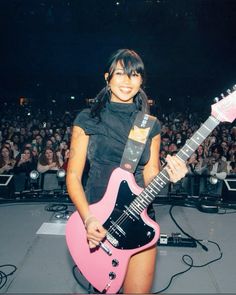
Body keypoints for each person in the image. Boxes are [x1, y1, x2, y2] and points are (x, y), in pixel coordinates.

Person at [66, 49, 188, 293]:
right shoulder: (87, 119)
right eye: (120, 73)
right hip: (97, 218)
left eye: (134, 75)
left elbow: (151, 174)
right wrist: (88, 218)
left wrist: (172, 176)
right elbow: (72, 176)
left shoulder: (149, 124)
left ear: (141, 81)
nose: (126, 81)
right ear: (107, 78)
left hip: (139, 216)